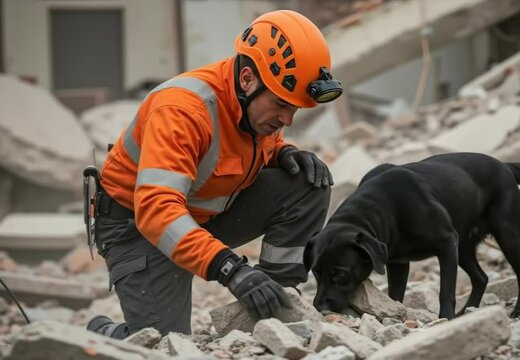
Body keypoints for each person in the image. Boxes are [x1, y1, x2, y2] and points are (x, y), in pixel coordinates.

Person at [85, 9, 343, 339]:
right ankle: (102, 334)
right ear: (248, 79)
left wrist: (284, 153)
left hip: (202, 216)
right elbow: (156, 211)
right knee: (162, 345)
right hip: (139, 229)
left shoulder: (253, 105)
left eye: (294, 108)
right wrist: (230, 269)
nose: (287, 119)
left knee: (306, 183)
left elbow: (245, 148)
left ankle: (275, 303)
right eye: (281, 105)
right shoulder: (182, 110)